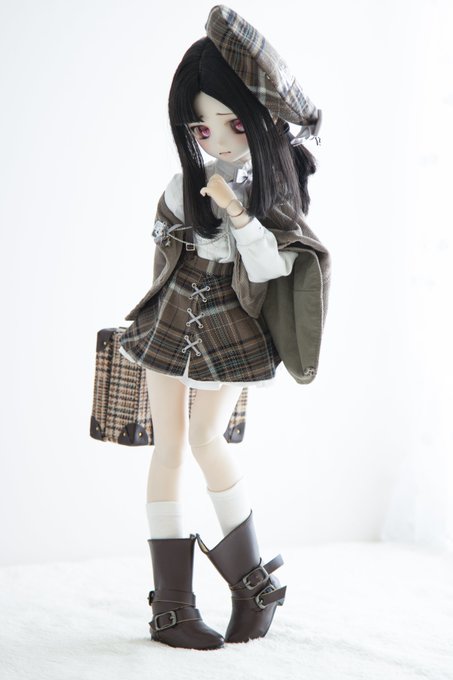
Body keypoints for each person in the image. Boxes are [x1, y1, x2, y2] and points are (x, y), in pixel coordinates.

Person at [118, 5, 329, 650]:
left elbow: (270, 267)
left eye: (232, 123)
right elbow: (163, 255)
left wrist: (237, 212)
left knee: (209, 438)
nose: (216, 139)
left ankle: (253, 586)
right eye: (201, 127)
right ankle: (172, 607)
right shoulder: (182, 184)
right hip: (172, 316)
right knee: (168, 446)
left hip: (229, 323)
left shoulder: (270, 192)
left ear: (259, 121)